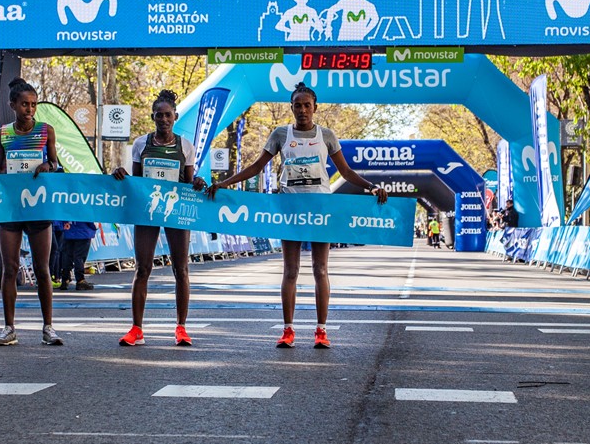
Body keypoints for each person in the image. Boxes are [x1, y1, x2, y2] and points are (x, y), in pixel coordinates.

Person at [206, 82, 388, 349]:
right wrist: (225, 183)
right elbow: (257, 167)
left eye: (307, 105)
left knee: (320, 269)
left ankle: (321, 331)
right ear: (291, 108)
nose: (302, 110)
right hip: (289, 208)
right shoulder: (281, 134)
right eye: (297, 105)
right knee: (290, 271)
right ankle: (288, 330)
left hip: (319, 208)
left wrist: (371, 186)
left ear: (315, 107)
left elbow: (346, 172)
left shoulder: (326, 135)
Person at [0, 77, 63, 346]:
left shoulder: (46, 131)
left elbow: (55, 164)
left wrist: (47, 166)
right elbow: (0, 168)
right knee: (10, 268)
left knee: (42, 269)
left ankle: (48, 327)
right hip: (10, 207)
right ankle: (9, 328)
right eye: (24, 104)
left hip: (38, 207)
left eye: (33, 104)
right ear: (13, 105)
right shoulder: (3, 134)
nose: (29, 109)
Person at [112, 89, 206, 347]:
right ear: (152, 117)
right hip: (147, 209)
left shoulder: (185, 145)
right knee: (142, 268)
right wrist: (120, 174)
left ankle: (181, 328)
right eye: (158, 116)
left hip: (175, 210)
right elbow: (136, 182)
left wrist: (197, 181)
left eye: (167, 115)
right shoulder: (141, 144)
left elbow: (189, 181)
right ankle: (136, 329)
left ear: (175, 116)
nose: (163, 120)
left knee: (181, 269)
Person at [60, 221, 97, 290]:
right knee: (80, 257)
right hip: (83, 230)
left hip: (69, 230)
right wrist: (94, 226)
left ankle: (65, 278)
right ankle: (80, 280)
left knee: (67, 255)